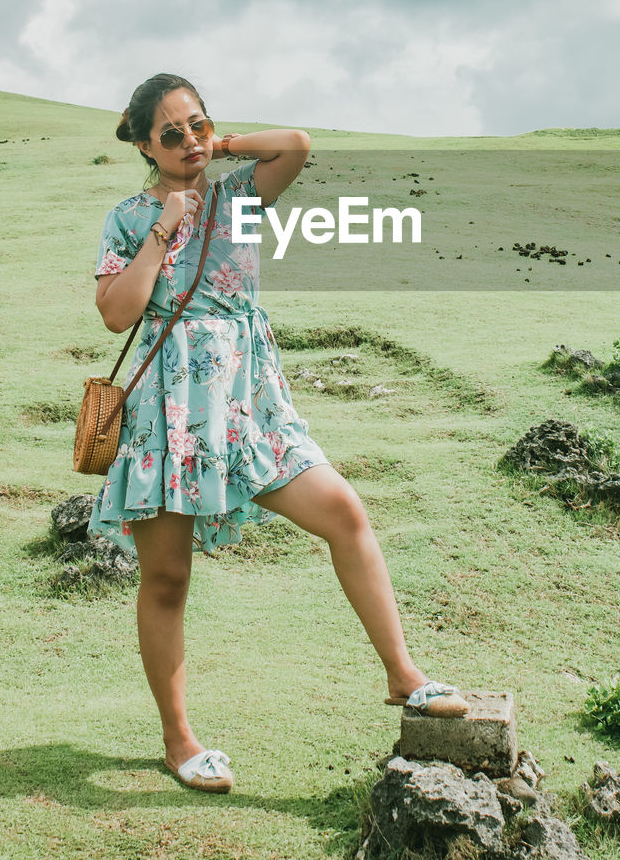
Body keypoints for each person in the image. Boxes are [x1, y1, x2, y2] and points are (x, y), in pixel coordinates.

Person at [87, 73, 469, 794]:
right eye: (171, 134)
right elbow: (116, 313)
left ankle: (402, 675)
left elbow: (294, 145)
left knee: (344, 514)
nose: (189, 141)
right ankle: (179, 742)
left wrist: (218, 145)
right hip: (172, 406)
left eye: (196, 124)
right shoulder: (128, 218)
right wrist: (165, 225)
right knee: (166, 578)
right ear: (143, 144)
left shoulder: (237, 194)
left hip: (249, 399)